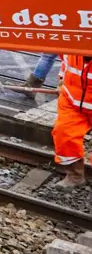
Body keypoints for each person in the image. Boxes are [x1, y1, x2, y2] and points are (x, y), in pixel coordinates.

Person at [55, 53, 89, 187]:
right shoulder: (72, 44)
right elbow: (66, 62)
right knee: (63, 134)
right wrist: (61, 81)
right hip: (73, 102)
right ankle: (75, 175)